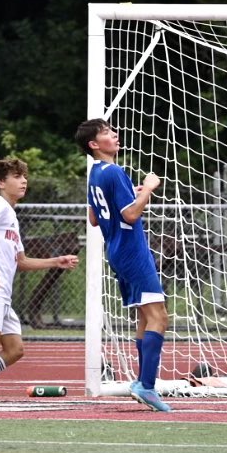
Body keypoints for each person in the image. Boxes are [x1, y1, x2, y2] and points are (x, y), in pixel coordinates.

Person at [0, 157, 80, 406]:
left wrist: (56, 261)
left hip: (2, 294)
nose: (23, 180)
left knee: (14, 349)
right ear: (1, 182)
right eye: (16, 176)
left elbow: (20, 261)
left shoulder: (11, 215)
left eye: (24, 176)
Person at [76, 119, 173, 413]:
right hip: (131, 250)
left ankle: (145, 384)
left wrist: (132, 190)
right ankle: (146, 385)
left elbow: (94, 218)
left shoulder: (95, 173)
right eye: (106, 132)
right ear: (94, 144)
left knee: (146, 317)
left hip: (116, 249)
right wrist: (148, 190)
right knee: (159, 317)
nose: (114, 134)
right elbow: (130, 215)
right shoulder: (115, 171)